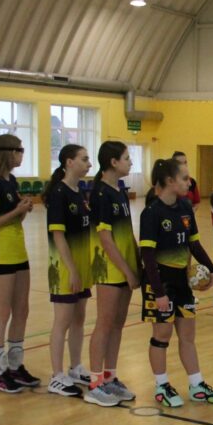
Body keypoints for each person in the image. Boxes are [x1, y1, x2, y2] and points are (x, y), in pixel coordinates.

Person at [139, 158, 213, 408]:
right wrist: (158, 293)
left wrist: (212, 269)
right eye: (185, 178)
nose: (190, 182)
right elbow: (147, 256)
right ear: (169, 181)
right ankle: (161, 385)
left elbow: (194, 244)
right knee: (161, 335)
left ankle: (196, 384)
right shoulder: (151, 213)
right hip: (160, 284)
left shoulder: (185, 207)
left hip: (182, 283)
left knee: (188, 335)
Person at [0, 134, 38, 393]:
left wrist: (22, 210)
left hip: (17, 251)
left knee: (21, 309)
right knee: (2, 312)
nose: (22, 154)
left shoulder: (11, 181)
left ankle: (15, 365)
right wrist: (16, 210)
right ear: (8, 152)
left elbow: (13, 219)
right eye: (19, 150)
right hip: (0, 253)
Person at [86, 141, 140, 406]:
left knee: (117, 324)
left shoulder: (119, 191)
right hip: (109, 268)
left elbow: (127, 233)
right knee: (104, 324)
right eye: (127, 158)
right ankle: (95, 383)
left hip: (126, 265)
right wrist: (126, 270)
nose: (131, 162)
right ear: (113, 162)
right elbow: (106, 239)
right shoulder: (100, 194)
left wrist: (137, 262)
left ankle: (110, 377)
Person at [44, 145, 94, 397]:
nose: (89, 164)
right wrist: (72, 269)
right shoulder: (59, 193)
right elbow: (58, 235)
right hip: (64, 267)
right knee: (62, 321)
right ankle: (56, 376)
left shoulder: (80, 191)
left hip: (82, 265)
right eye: (84, 159)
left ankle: (75, 367)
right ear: (69, 162)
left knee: (78, 318)